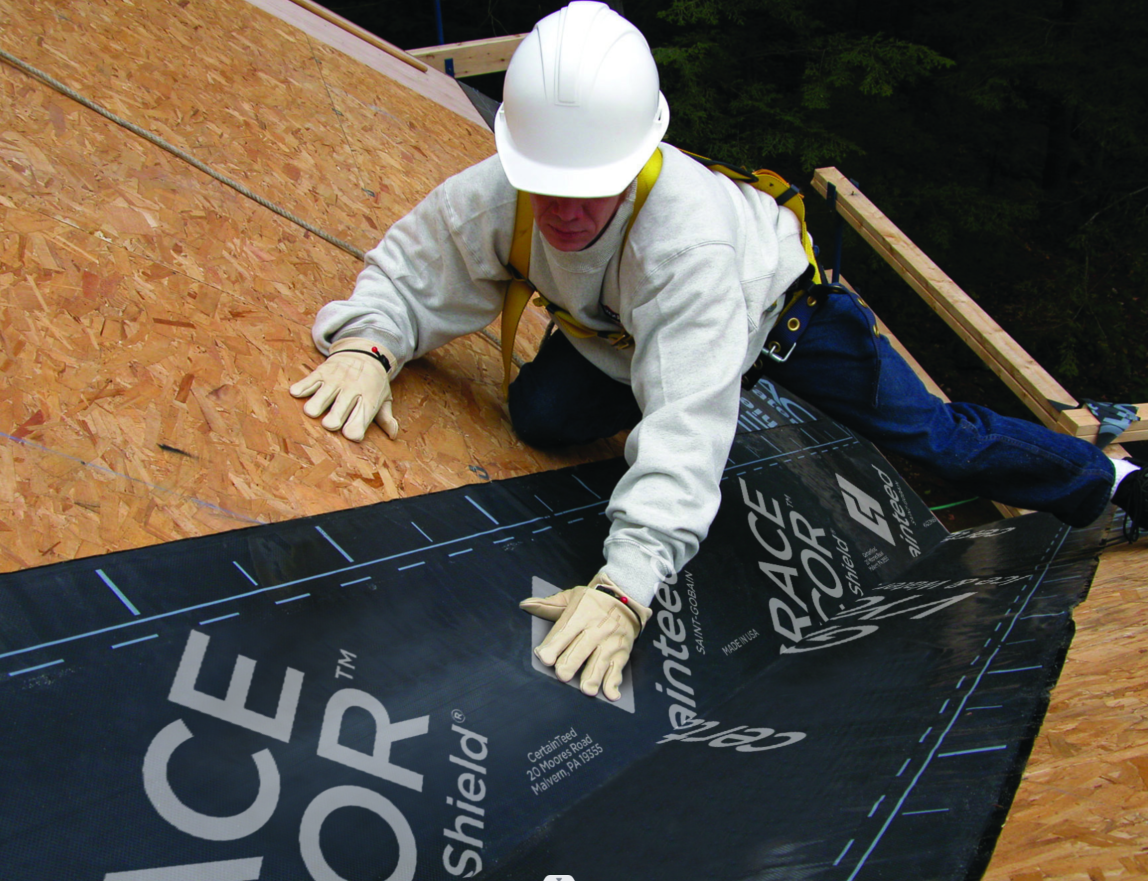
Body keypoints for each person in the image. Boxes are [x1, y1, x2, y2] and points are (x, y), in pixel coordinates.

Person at [291, 1, 1145, 702]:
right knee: (542, 415)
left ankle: (1105, 484)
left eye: (592, 189)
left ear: (637, 159)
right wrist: (369, 340)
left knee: (932, 436)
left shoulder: (684, 243)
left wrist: (627, 584)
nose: (565, 210)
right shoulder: (508, 188)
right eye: (546, 183)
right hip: (633, 332)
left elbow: (689, 430)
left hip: (780, 316)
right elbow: (415, 261)